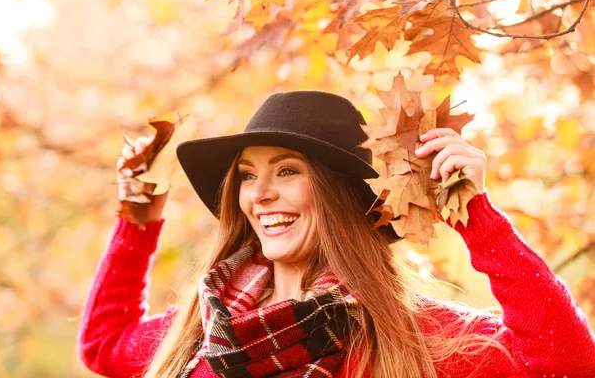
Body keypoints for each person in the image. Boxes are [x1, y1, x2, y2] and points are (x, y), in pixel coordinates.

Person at [77, 91, 595, 378]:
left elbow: (570, 364)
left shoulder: (415, 338)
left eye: (286, 171)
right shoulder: (208, 325)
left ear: (340, 193)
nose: (259, 195)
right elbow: (103, 343)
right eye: (248, 176)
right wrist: (138, 218)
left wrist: (475, 214)